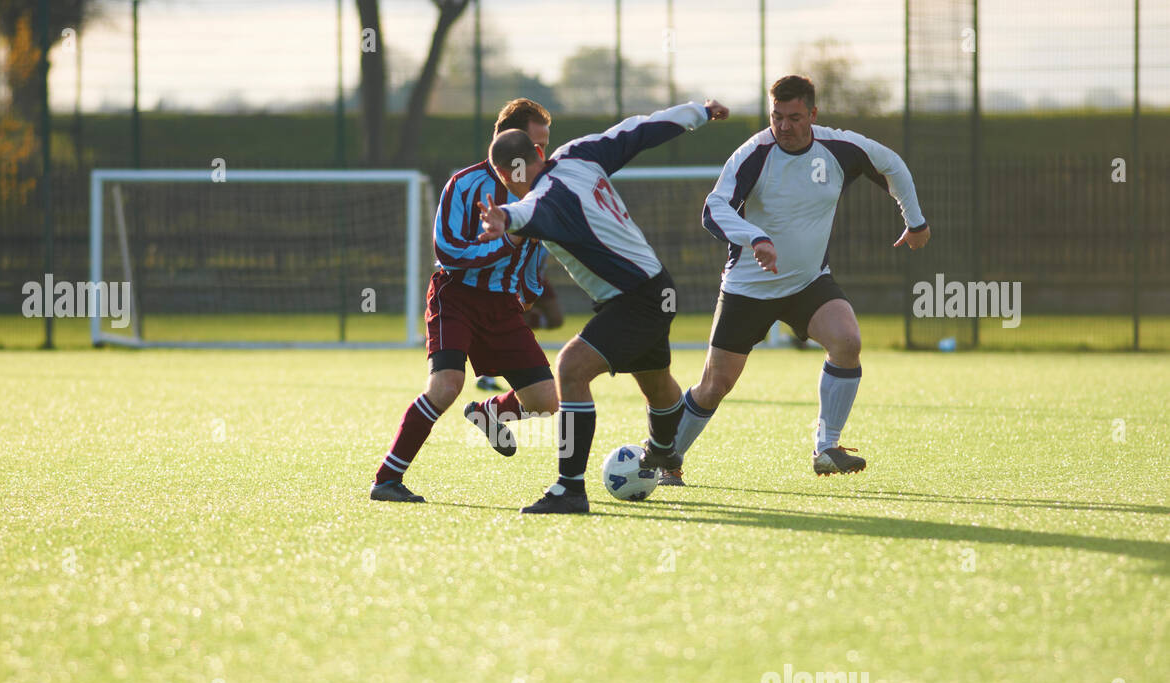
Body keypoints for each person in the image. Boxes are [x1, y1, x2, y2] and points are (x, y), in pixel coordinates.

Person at [661, 74, 930, 486]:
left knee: (847, 341)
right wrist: (756, 238)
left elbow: (892, 165)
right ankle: (665, 459)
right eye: (776, 116)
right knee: (715, 385)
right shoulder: (755, 152)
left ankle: (827, 448)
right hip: (748, 289)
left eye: (794, 117)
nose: (783, 126)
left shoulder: (839, 148)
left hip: (808, 283)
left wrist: (915, 222)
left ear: (813, 115)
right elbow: (713, 209)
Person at [478, 98, 731, 514]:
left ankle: (569, 489)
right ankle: (665, 450)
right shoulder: (579, 154)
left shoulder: (544, 200)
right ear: (539, 152)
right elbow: (640, 129)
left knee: (570, 369)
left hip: (636, 300)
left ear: (505, 174)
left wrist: (502, 218)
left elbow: (526, 212)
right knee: (656, 382)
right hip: (654, 289)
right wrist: (699, 111)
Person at [370, 99, 558, 502]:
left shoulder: (544, 191)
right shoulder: (465, 184)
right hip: (456, 298)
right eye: (537, 144)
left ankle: (491, 413)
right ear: (509, 140)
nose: (544, 154)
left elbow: (538, 252)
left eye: (546, 145)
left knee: (545, 402)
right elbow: (449, 252)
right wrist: (506, 241)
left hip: (504, 306)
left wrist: (527, 294)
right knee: (445, 386)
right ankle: (387, 479)